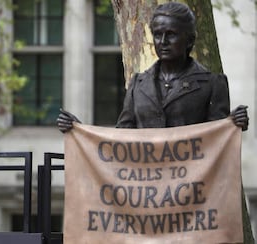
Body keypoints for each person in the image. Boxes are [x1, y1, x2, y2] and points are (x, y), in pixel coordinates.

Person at [57, 2, 252, 241]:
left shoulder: (212, 84)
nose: (163, 41)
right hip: (145, 205)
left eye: (171, 35)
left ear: (189, 40)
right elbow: (122, 140)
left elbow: (217, 147)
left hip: (191, 206)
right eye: (157, 35)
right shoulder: (139, 84)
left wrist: (232, 124)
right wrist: (82, 132)